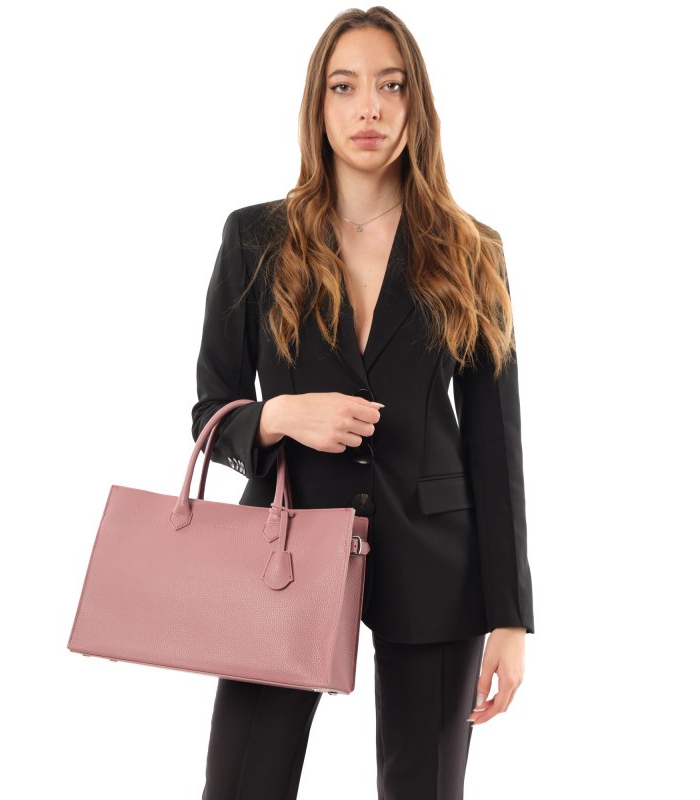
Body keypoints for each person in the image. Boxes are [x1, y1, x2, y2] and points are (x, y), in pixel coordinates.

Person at [190, 7, 534, 799]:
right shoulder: (256, 239)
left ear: (417, 104)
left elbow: (495, 447)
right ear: (319, 106)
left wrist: (511, 617)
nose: (369, 107)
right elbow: (211, 413)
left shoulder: (472, 251)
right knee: (241, 784)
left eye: (391, 85)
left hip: (438, 563)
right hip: (284, 550)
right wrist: (281, 416)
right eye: (344, 87)